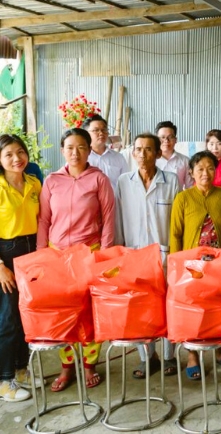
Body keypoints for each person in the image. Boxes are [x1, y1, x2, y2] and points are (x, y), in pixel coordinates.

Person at [38, 128, 115, 393]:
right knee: (63, 314)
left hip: (88, 252)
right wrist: (42, 255)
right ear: (62, 150)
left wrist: (103, 255)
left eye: (81, 147)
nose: (75, 152)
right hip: (57, 255)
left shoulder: (98, 179)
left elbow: (108, 218)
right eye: (70, 147)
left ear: (89, 149)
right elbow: (44, 220)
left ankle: (90, 363)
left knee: (88, 312)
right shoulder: (51, 181)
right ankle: (66, 365)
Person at [115, 133, 180, 379]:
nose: (143, 154)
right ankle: (146, 357)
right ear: (133, 153)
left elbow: (176, 221)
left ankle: (169, 356)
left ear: (157, 152)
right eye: (139, 149)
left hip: (165, 253)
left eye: (149, 149)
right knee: (140, 307)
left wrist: (175, 252)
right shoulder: (123, 181)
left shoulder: (171, 180)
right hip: (134, 253)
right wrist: (121, 251)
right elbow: (119, 219)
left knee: (166, 305)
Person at [170, 150, 221, 380]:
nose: (205, 173)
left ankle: (220, 352)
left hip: (219, 264)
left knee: (218, 309)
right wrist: (176, 267)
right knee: (194, 311)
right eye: (200, 169)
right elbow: (176, 235)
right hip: (192, 266)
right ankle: (192, 356)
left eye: (210, 168)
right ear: (191, 172)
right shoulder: (183, 198)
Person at [0, 134, 41, 402]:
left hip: (32, 252)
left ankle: (21, 369)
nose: (17, 158)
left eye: (20, 152)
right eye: (8, 155)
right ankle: (4, 381)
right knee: (7, 319)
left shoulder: (35, 183)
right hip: (6, 253)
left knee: (26, 315)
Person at [83, 115, 128, 188]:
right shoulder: (82, 158)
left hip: (114, 199)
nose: (101, 133)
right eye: (96, 130)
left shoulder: (118, 157)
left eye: (104, 130)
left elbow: (126, 184)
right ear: (86, 134)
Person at [155, 121, 193, 190]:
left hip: (178, 199)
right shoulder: (152, 160)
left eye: (170, 137)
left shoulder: (185, 161)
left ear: (175, 140)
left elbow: (190, 187)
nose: (166, 140)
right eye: (162, 137)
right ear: (156, 140)